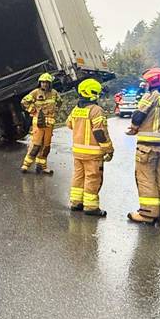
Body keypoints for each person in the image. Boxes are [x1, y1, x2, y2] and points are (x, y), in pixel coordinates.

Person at [126, 67, 160, 225]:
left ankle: (147, 214)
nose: (146, 84)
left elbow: (138, 115)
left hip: (148, 146)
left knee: (146, 178)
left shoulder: (151, 96)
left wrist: (134, 128)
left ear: (153, 81)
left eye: (148, 81)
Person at [66, 78, 114, 217]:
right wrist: (109, 150)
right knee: (92, 178)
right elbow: (100, 133)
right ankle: (91, 207)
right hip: (93, 154)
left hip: (78, 152)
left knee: (78, 177)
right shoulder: (96, 110)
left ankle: (76, 203)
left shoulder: (76, 109)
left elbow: (69, 124)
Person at [20, 73, 61, 175]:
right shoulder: (35, 93)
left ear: (50, 83)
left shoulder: (54, 93)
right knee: (36, 145)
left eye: (47, 83)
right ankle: (26, 165)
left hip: (49, 124)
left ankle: (42, 166)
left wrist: (55, 111)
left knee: (46, 147)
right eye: (43, 82)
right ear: (40, 83)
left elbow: (59, 102)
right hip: (38, 123)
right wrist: (32, 110)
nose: (45, 84)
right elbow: (24, 102)